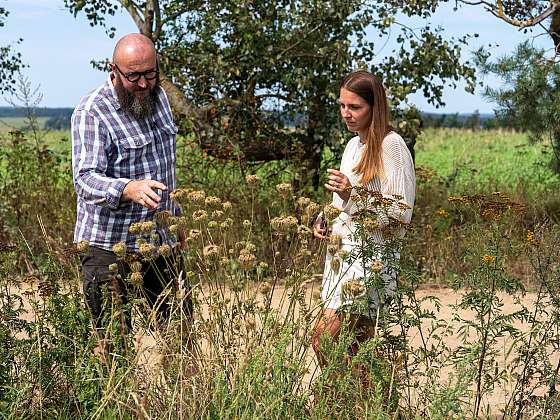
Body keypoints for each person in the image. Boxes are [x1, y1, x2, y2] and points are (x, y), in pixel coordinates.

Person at [71, 33, 191, 343]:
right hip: (109, 248)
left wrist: (176, 222)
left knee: (180, 339)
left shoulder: (159, 97)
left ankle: (189, 394)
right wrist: (127, 188)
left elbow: (166, 166)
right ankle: (119, 394)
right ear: (113, 70)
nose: (142, 84)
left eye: (149, 74)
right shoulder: (92, 112)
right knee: (112, 345)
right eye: (133, 76)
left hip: (159, 242)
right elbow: (85, 178)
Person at [311, 70, 415, 366]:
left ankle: (349, 404)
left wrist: (351, 195)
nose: (346, 113)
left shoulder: (391, 145)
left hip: (370, 262)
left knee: (325, 340)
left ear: (375, 107)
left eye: (355, 107)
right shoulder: (353, 145)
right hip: (342, 259)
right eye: (342, 105)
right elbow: (342, 201)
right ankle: (366, 406)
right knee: (355, 353)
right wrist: (324, 217)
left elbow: (400, 211)